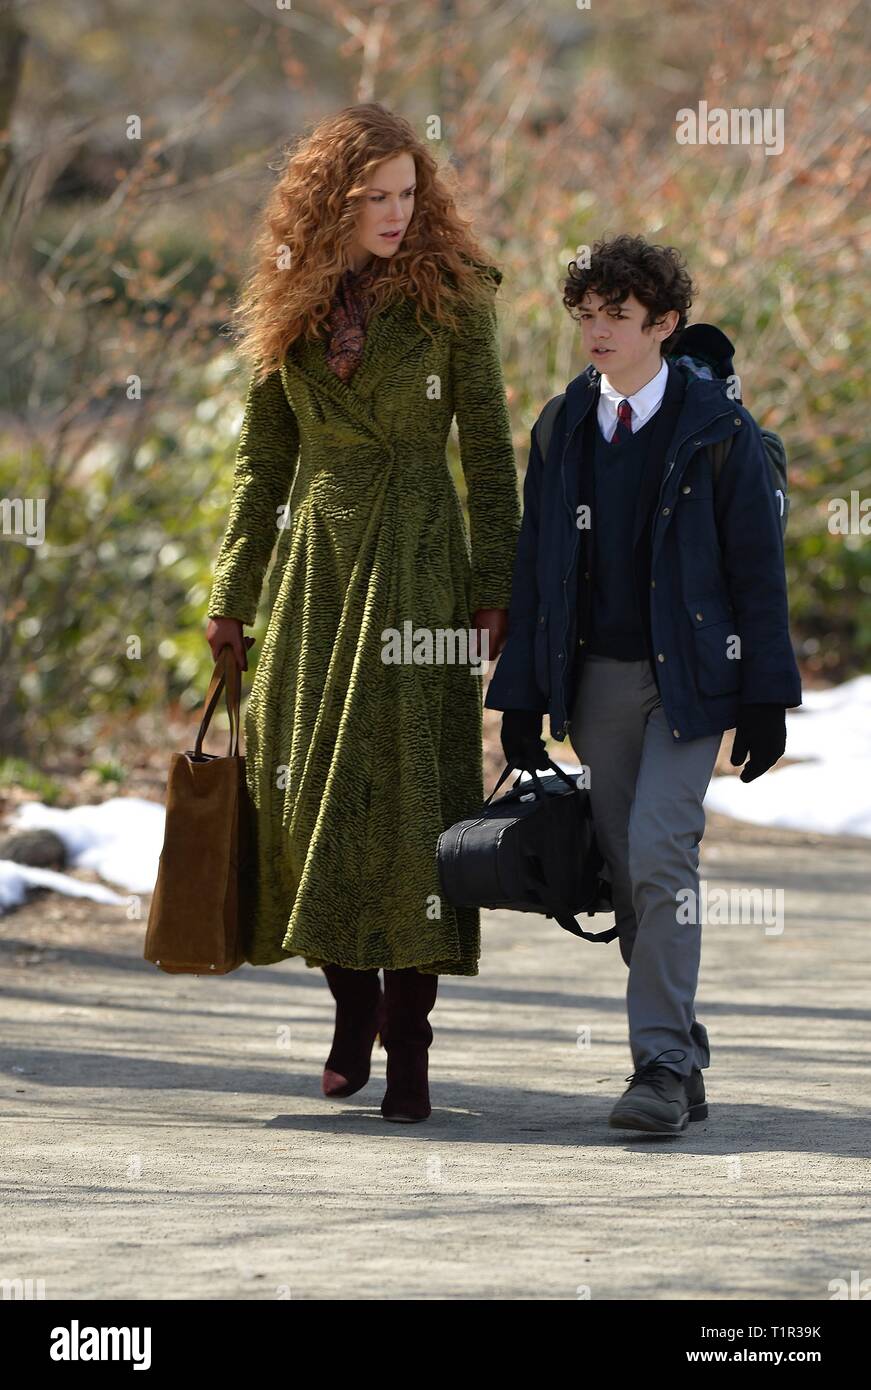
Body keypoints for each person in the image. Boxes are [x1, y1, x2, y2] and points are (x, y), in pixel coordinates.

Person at [205, 104, 521, 1123]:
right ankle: (351, 1008)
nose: (395, 212)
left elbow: (485, 452)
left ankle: (413, 1040)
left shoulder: (456, 302)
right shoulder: (288, 304)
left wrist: (496, 586)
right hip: (316, 571)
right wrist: (230, 598)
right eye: (373, 196)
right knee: (305, 797)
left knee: (412, 801)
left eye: (405, 193)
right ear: (329, 201)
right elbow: (262, 466)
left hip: (419, 565)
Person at [484, 234, 802, 1135]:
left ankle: (656, 1066)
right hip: (596, 684)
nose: (595, 332)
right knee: (628, 871)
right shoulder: (561, 427)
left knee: (662, 850)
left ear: (664, 324)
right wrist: (518, 697)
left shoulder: (717, 430)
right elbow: (536, 570)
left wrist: (765, 698)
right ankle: (680, 1048)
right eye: (585, 315)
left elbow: (756, 571)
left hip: (695, 682)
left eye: (615, 317)